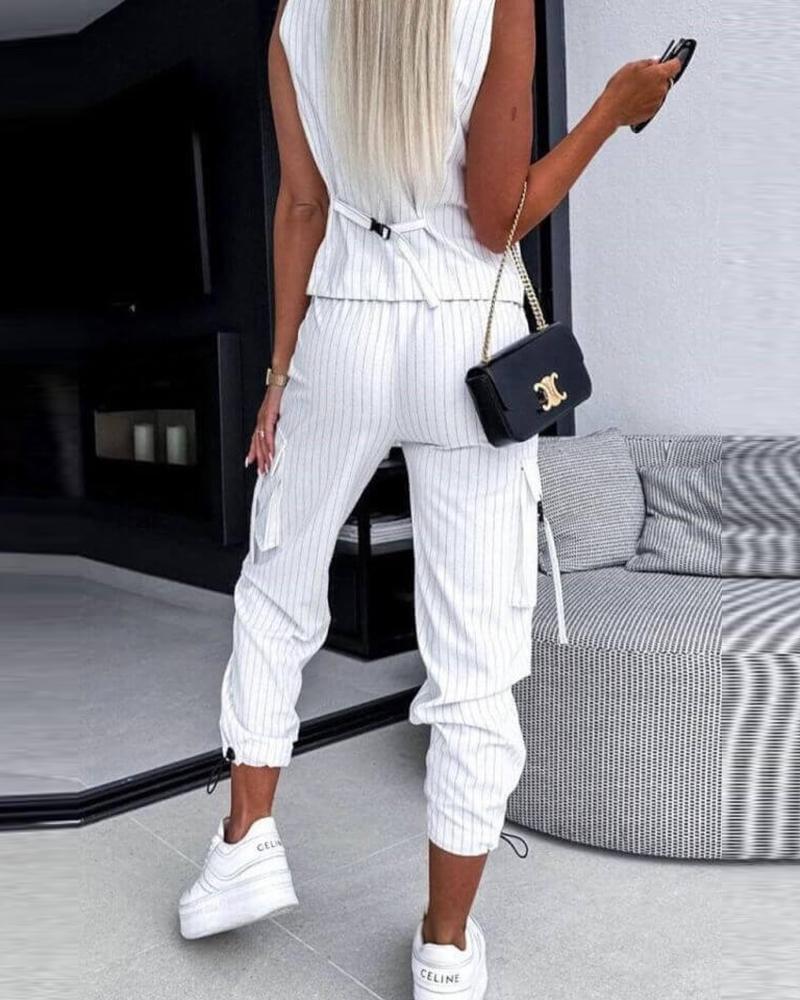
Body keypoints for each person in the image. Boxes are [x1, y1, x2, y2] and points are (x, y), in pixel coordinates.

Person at [178, 1, 681, 995]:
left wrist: (278, 376)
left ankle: (244, 841)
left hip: (341, 334)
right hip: (464, 346)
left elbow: (301, 208)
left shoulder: (297, 14)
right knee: (475, 656)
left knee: (277, 587)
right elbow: (498, 220)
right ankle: (444, 947)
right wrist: (611, 112)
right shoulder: (497, 5)